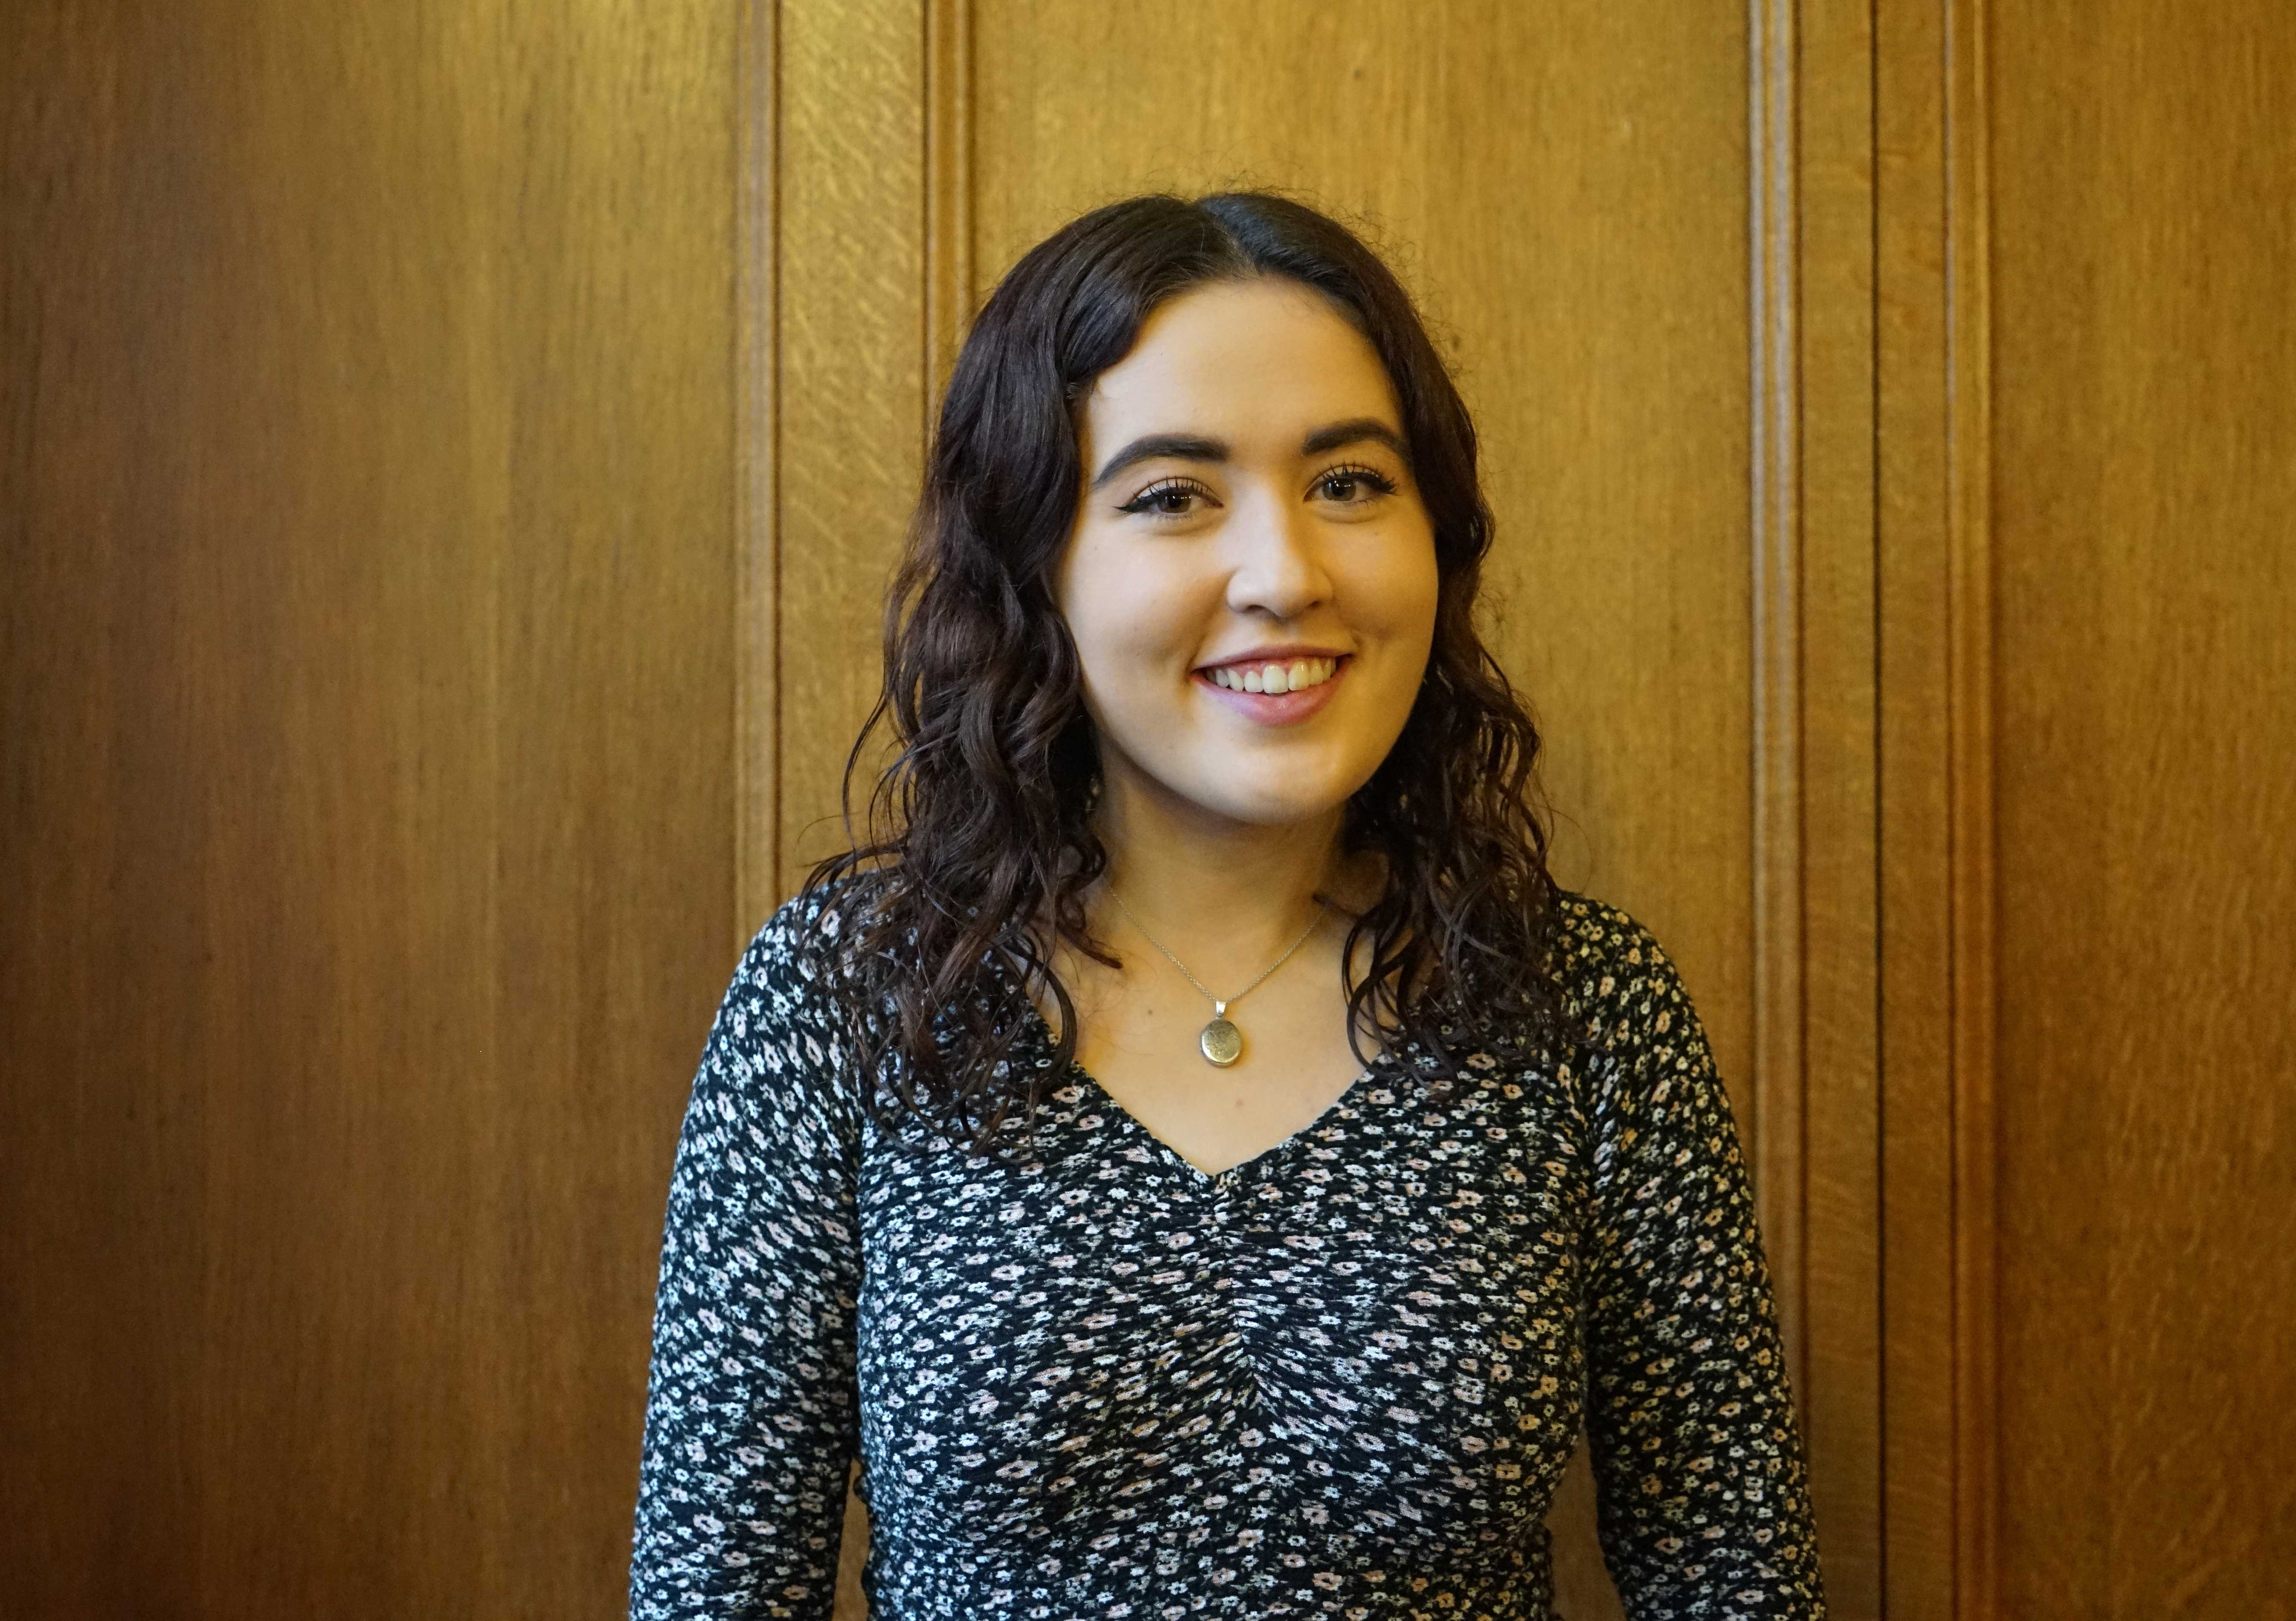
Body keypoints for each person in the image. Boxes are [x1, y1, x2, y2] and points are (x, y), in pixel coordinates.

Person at [628, 191, 1825, 1620]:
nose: (1284, 575)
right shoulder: (848, 996)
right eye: (1170, 496)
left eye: (1348, 484)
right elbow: (715, 1589)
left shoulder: (1580, 1004)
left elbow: (1734, 1576)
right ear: (1037, 569)